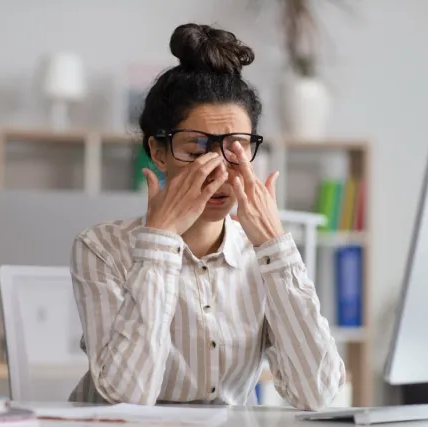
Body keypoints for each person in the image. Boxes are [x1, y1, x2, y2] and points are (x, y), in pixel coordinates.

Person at [68, 23, 346, 410]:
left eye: (236, 148)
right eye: (196, 148)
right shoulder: (101, 248)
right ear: (158, 151)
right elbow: (125, 399)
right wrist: (159, 244)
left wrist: (276, 248)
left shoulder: (261, 257)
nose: (218, 170)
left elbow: (315, 395)